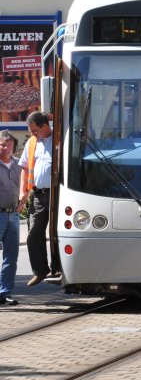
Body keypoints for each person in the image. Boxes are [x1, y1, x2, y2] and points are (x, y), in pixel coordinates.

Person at [18, 111, 59, 286]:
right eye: (30, 131)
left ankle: (58, 268)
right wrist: (22, 191)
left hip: (58, 194)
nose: (32, 133)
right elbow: (25, 168)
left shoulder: (59, 140)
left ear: (45, 126)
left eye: (34, 130)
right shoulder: (32, 142)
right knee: (33, 234)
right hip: (37, 195)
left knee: (59, 233)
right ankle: (40, 271)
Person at [0, 130, 21, 306]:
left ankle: (4, 293)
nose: (5, 148)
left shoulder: (18, 165)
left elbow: (26, 185)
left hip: (14, 215)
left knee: (11, 256)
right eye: (2, 145)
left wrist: (24, 200)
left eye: (9, 145)